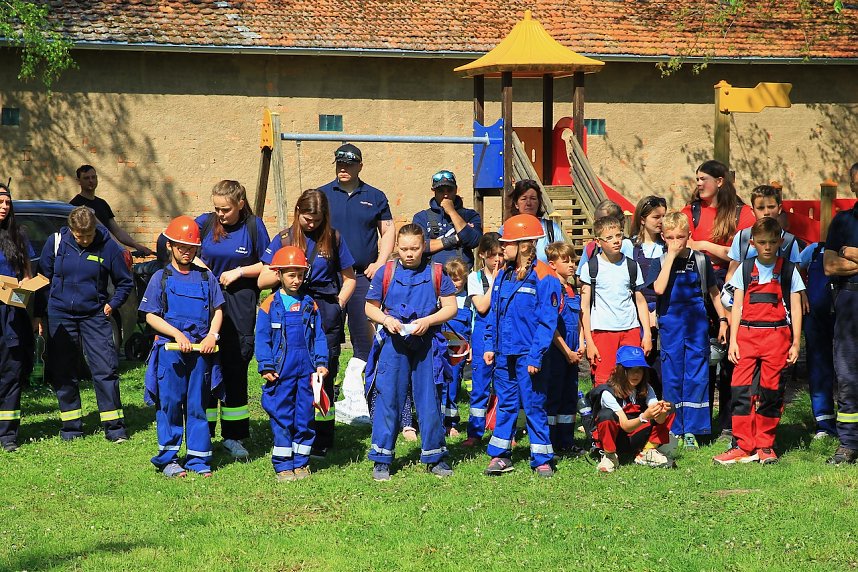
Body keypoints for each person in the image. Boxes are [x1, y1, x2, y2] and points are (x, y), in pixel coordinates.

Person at [258, 189, 356, 456]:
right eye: (307, 218)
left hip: (324, 310)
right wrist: (284, 271)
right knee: (290, 372)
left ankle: (322, 438)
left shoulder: (334, 238)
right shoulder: (284, 238)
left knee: (324, 373)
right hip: (289, 309)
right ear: (297, 212)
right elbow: (262, 280)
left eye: (317, 219)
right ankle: (289, 432)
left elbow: (350, 279)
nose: (311, 224)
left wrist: (338, 305)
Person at [364, 224, 458, 481]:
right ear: (396, 248)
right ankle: (382, 459)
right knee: (388, 398)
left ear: (423, 246)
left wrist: (429, 321)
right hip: (393, 344)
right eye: (404, 248)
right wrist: (385, 320)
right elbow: (369, 308)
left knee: (429, 399)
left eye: (414, 248)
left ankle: (435, 456)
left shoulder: (437, 273)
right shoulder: (385, 272)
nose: (409, 253)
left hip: (426, 343)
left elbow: (451, 308)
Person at [714, 217, 804, 465]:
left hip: (777, 337)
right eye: (762, 242)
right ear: (753, 243)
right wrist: (733, 341)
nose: (767, 247)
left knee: (771, 392)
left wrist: (796, 342)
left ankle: (765, 446)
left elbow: (795, 308)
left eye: (772, 242)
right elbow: (737, 306)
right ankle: (743, 445)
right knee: (740, 389)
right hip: (746, 336)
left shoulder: (788, 270)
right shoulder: (744, 268)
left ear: (780, 242)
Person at [38, 206, 133, 442]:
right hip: (61, 315)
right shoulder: (57, 242)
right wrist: (45, 310)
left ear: (95, 229)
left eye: (89, 236)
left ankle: (115, 429)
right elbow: (42, 280)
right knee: (63, 371)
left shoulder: (107, 246)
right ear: (71, 231)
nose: (84, 240)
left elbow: (124, 282)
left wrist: (112, 304)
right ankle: (71, 428)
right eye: (80, 236)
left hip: (94, 315)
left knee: (105, 369)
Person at [139, 216, 225, 478]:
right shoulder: (160, 277)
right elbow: (150, 315)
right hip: (170, 353)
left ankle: (198, 459)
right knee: (170, 404)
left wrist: (212, 335)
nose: (186, 252)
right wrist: (176, 335)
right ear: (170, 246)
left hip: (200, 352)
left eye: (191, 248)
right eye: (181, 247)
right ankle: (169, 459)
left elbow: (218, 309)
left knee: (198, 404)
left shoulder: (205, 278)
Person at [317, 144, 395, 426]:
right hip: (330, 279)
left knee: (366, 337)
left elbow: (387, 231)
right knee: (327, 336)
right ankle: (326, 394)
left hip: (364, 276)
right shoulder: (323, 194)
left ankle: (364, 396)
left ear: (360, 166)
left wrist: (381, 262)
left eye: (349, 164)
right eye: (339, 163)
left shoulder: (374, 196)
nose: (343, 168)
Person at [681, 160, 755, 441]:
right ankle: (701, 424)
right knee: (703, 358)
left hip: (732, 289)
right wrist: (719, 250)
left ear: (721, 181)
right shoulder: (691, 212)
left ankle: (728, 424)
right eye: (697, 179)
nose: (699, 184)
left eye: (704, 179)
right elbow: (679, 244)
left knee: (731, 360)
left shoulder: (742, 212)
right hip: (697, 290)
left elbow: (744, 253)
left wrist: (704, 246)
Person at [195, 180, 270, 459]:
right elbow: (176, 244)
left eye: (225, 209)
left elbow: (269, 262)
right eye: (216, 209)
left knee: (235, 367)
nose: (220, 215)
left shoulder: (253, 226)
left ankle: (234, 436)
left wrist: (239, 272)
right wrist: (200, 265)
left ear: (240, 204)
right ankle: (202, 432)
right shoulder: (204, 223)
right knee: (204, 366)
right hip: (206, 302)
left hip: (239, 301)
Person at [483, 214, 561, 478]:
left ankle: (541, 458)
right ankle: (500, 456)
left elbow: (547, 322)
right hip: (505, 354)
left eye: (507, 243)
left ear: (525, 244)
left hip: (529, 355)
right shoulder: (504, 275)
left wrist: (536, 357)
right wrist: (491, 345)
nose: (502, 247)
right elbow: (495, 313)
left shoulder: (544, 276)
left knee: (534, 404)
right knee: (505, 402)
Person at [648, 212, 728, 449]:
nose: (676, 242)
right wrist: (671, 257)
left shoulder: (700, 260)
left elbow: (714, 292)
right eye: (670, 237)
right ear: (663, 237)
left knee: (697, 374)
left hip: (696, 324)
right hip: (671, 325)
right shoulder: (660, 262)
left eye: (680, 237)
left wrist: (723, 320)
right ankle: (674, 427)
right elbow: (659, 289)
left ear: (688, 236)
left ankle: (693, 429)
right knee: (673, 374)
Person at [256, 246, 328, 482]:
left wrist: (321, 361)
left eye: (300, 274)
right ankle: (283, 464)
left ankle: (301, 463)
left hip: (306, 370)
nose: (296, 280)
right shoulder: (269, 305)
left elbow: (318, 336)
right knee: (282, 414)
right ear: (278, 275)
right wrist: (266, 365)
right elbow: (263, 338)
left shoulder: (310, 304)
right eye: (290, 275)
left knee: (305, 415)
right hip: (281, 370)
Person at [580, 215, 652, 385]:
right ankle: (603, 412)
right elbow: (584, 308)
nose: (616, 241)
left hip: (630, 330)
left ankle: (632, 412)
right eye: (609, 238)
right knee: (604, 380)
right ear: (598, 242)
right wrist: (589, 342)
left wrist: (647, 333)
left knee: (631, 378)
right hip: (602, 332)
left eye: (619, 235)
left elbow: (641, 302)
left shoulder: (631, 266)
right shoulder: (590, 268)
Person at [589, 345, 675, 473]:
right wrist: (644, 416)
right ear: (620, 371)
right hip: (618, 437)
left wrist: (661, 412)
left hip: (636, 435)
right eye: (631, 370)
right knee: (605, 415)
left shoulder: (646, 388)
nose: (636, 374)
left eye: (639, 370)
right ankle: (610, 456)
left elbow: (660, 421)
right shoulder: (608, 392)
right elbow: (625, 426)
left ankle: (647, 451)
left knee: (669, 408)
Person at [822, 162, 858, 464]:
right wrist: (842, 254)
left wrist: (852, 252)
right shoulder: (842, 221)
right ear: (853, 186)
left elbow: (842, 257)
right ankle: (848, 443)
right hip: (849, 301)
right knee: (848, 376)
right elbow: (830, 266)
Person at [0, 183, 36, 452]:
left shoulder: (18, 235)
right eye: (0, 202)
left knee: (11, 373)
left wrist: (25, 285)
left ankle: (8, 435)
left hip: (12, 312)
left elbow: (27, 273)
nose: (4, 207)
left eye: (7, 202)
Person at [462, 232, 503, 447]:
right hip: (481, 336)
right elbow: (482, 306)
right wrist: (495, 282)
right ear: (483, 256)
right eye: (493, 255)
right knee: (480, 386)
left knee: (504, 386)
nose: (498, 259)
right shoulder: (475, 278)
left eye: (501, 254)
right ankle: (475, 433)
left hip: (504, 335)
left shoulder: (510, 275)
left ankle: (504, 432)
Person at [544, 241, 584, 453]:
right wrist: (566, 351)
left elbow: (577, 319)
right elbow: (550, 326)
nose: (571, 265)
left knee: (570, 395)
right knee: (554, 395)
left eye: (573, 261)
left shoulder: (572, 288)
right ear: (552, 264)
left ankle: (566, 442)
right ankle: (550, 442)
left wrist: (582, 342)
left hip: (573, 351)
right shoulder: (551, 288)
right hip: (557, 352)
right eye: (565, 261)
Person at [69, 165, 154, 255]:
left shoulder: (102, 203)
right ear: (79, 181)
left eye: (93, 177)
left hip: (106, 252)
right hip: (88, 253)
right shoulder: (75, 205)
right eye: (86, 178)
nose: (91, 181)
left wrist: (137, 245)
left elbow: (117, 231)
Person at [799, 239, 837, 439]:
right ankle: (825, 423)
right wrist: (802, 293)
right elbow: (796, 269)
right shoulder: (814, 250)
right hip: (816, 317)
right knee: (819, 368)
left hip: (846, 317)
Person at [631, 195, 667, 395]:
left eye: (663, 216)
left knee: (661, 369)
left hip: (664, 311)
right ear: (643, 219)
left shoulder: (668, 247)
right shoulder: (630, 247)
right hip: (638, 313)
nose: (661, 221)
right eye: (656, 217)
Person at [412, 170, 482, 269]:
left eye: (449, 190)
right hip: (432, 277)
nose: (445, 195)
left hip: (460, 278)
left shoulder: (469, 215)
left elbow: (473, 241)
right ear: (434, 191)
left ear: (456, 190)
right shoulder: (421, 217)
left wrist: (452, 212)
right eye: (441, 191)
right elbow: (418, 246)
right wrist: (455, 239)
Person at [440, 257, 471, 436]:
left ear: (465, 278)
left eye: (458, 279)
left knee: (452, 385)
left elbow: (473, 326)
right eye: (450, 279)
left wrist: (471, 347)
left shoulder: (468, 300)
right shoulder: (440, 299)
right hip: (440, 348)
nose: (454, 283)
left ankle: (451, 422)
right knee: (440, 384)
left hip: (459, 351)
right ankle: (438, 420)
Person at [508, 179, 565, 263]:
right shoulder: (507, 228)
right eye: (523, 199)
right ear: (516, 204)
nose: (528, 203)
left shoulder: (551, 229)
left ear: (539, 202)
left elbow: (562, 260)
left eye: (533, 198)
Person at [577, 199, 635, 277]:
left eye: (603, 221)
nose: (598, 225)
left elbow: (631, 275)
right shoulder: (591, 247)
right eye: (596, 221)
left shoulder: (626, 245)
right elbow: (580, 277)